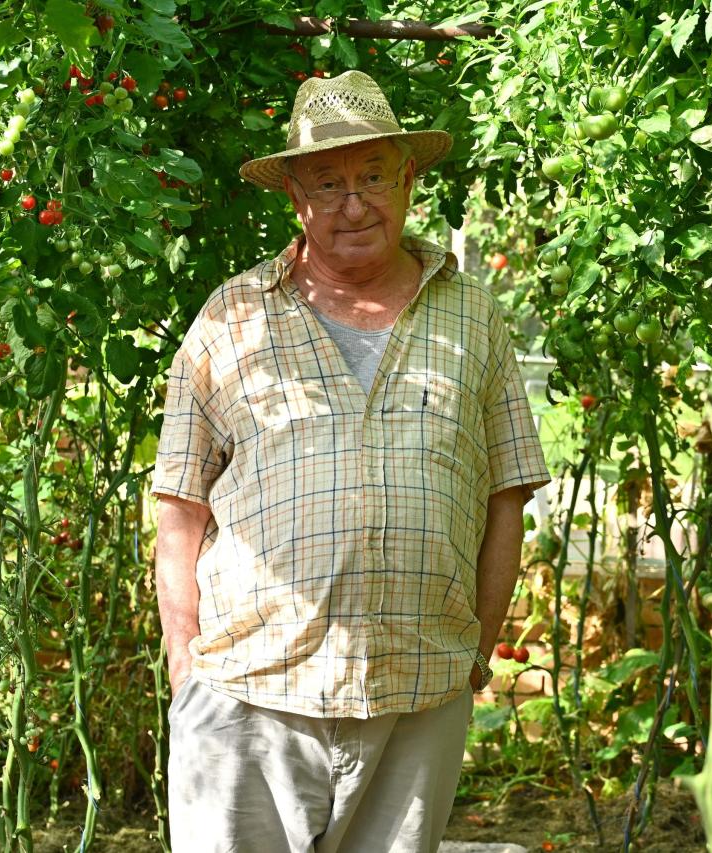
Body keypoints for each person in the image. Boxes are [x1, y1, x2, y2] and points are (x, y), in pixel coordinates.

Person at [152, 70, 550, 853]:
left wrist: (476, 653)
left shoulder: (472, 314)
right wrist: (185, 667)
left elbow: (507, 492)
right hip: (248, 698)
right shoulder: (232, 317)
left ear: (409, 180)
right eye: (328, 182)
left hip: (417, 700)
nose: (355, 203)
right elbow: (179, 505)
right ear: (295, 197)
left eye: (373, 175)